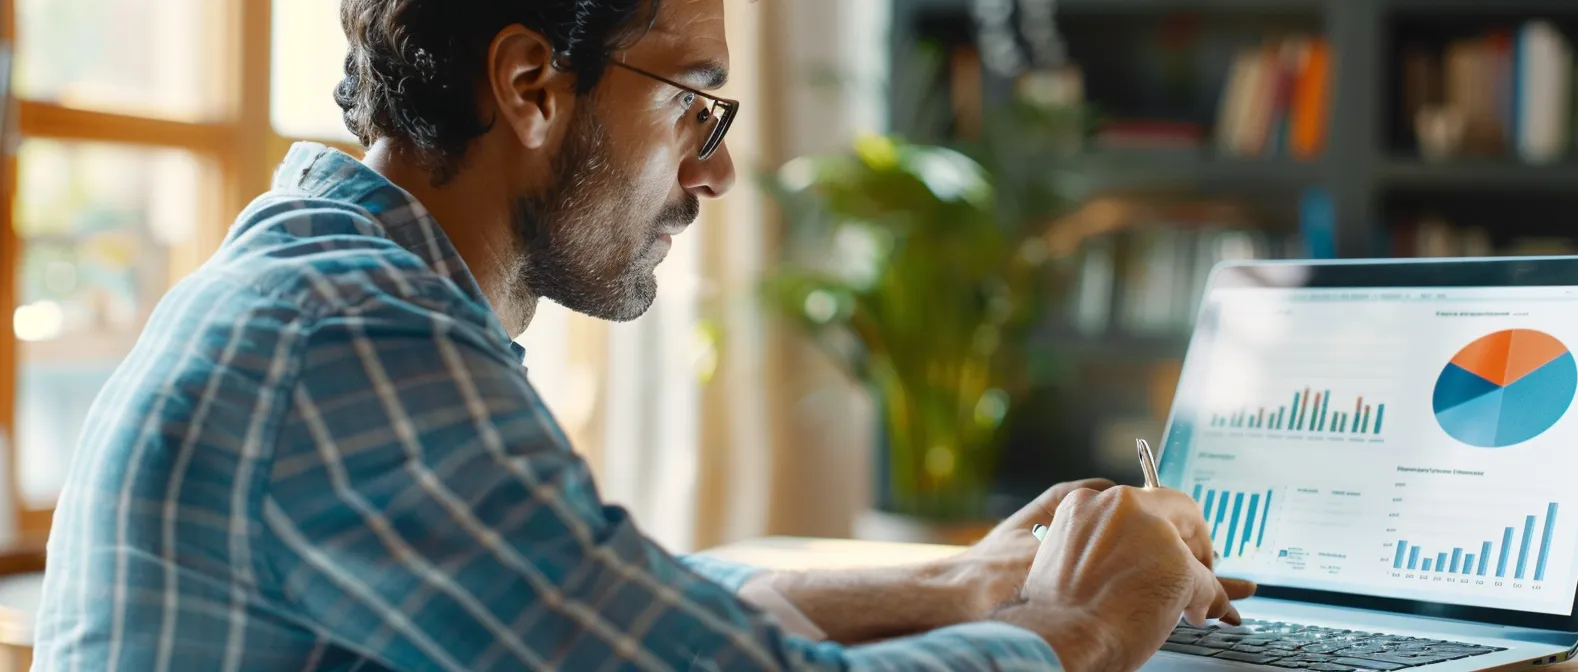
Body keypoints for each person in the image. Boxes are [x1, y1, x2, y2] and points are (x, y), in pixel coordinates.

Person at [33, 0, 1252, 669]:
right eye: (694, 103)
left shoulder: (335, 291)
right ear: (529, 87)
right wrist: (1086, 626)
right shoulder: (350, 338)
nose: (715, 172)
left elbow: (612, 610)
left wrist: (966, 581)